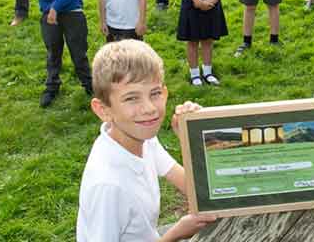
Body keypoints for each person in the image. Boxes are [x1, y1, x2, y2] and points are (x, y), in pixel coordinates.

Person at [77, 40, 217, 242]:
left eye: (155, 93)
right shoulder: (107, 186)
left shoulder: (140, 137)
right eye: (132, 98)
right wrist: (174, 235)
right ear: (103, 110)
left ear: (165, 93)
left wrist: (188, 138)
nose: (149, 108)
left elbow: (192, 188)